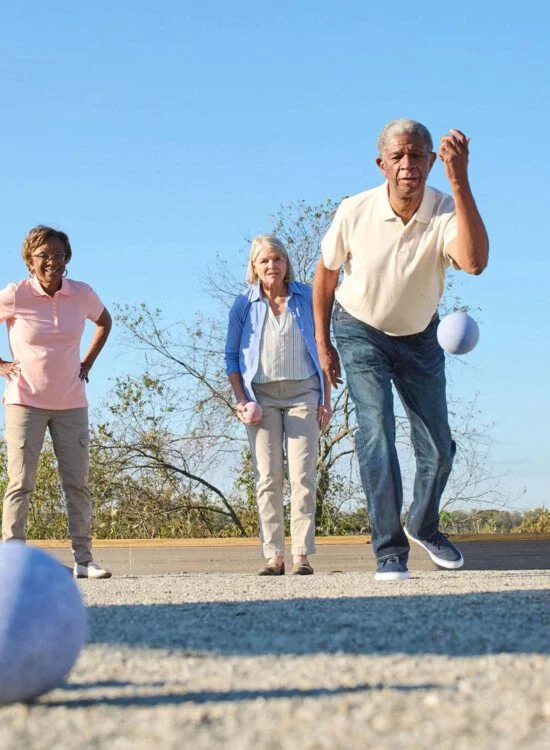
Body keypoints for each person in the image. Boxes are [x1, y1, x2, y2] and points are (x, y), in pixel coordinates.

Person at [313, 119, 489, 581]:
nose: (408, 165)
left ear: (432, 161)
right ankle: (389, 550)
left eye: (417, 156)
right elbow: (326, 275)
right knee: (377, 432)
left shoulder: (447, 207)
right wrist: (322, 343)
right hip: (360, 330)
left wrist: (460, 179)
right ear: (382, 164)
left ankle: (422, 523)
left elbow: (474, 263)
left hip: (419, 336)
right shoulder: (355, 210)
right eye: (398, 157)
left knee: (440, 448)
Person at [0, 225, 113, 578]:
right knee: (21, 481)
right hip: (24, 401)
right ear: (30, 261)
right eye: (44, 255)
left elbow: (104, 322)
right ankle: (13, 563)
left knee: (77, 483)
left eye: (59, 254)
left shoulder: (81, 294)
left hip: (71, 403)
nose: (53, 261)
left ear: (68, 258)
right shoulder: (15, 294)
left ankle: (84, 560)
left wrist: (87, 363)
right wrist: (2, 365)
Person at [225, 235, 331, 575]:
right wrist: (242, 400)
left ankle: (301, 555)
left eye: (277, 259)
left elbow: (324, 348)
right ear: (254, 268)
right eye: (264, 261)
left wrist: (326, 400)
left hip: (304, 393)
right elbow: (231, 359)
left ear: (286, 263)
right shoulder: (243, 304)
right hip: (261, 398)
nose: (272, 266)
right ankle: (274, 556)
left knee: (303, 476)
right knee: (267, 478)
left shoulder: (306, 295)